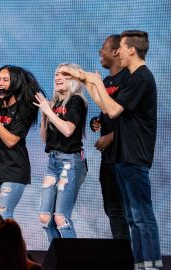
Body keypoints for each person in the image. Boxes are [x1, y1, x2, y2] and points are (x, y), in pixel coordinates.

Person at [65, 30, 161, 270]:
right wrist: (88, 82)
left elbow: (115, 111)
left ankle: (151, 265)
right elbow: (107, 108)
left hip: (134, 155)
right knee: (132, 217)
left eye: (121, 47)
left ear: (130, 49)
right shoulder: (134, 76)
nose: (117, 52)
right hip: (122, 157)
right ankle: (140, 264)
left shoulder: (140, 77)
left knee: (142, 216)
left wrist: (94, 81)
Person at [0, 65, 44, 220]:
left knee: (3, 214)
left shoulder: (24, 109)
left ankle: (11, 244)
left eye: (5, 80)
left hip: (15, 169)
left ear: (15, 82)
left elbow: (10, 141)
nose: (0, 83)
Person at [33, 63, 88, 242]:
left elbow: (67, 130)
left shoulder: (76, 101)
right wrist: (44, 115)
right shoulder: (55, 103)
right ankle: (57, 257)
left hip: (70, 162)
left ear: (74, 80)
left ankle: (73, 261)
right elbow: (45, 139)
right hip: (53, 161)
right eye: (56, 74)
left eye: (64, 74)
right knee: (45, 218)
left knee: (61, 218)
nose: (58, 77)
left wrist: (49, 111)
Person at [90, 35, 130, 240]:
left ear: (116, 51)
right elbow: (106, 112)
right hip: (108, 159)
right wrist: (97, 122)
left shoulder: (130, 79)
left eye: (103, 47)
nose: (100, 51)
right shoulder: (104, 82)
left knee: (131, 213)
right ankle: (123, 256)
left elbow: (133, 120)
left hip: (126, 158)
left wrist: (111, 137)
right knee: (113, 210)